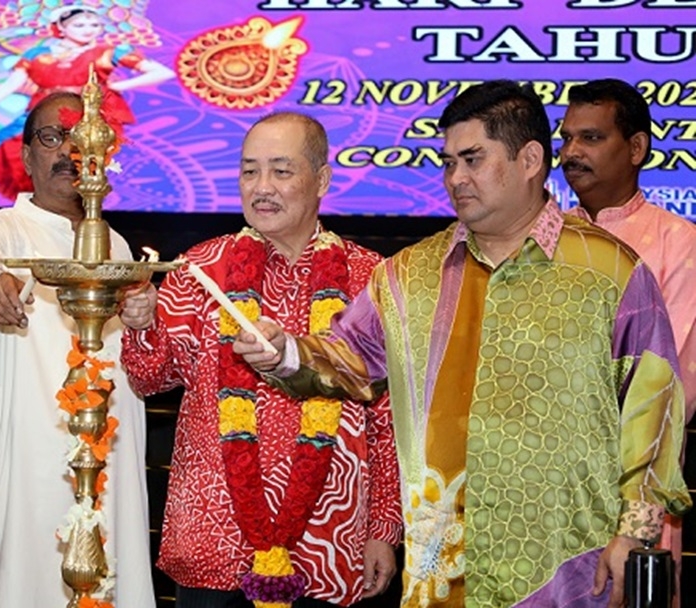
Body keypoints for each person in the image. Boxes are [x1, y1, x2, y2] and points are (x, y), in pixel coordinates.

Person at [233, 81, 692, 607]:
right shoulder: (409, 275)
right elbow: (348, 358)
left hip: (570, 575)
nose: (456, 178)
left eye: (473, 159)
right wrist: (284, 353)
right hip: (443, 577)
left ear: (530, 160)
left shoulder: (609, 271)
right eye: (449, 162)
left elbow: (654, 410)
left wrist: (635, 531)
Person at [118, 111, 403, 608]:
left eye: (281, 170)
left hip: (329, 543)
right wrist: (142, 325)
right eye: (249, 171)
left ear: (322, 180)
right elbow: (149, 379)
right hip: (213, 539)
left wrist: (383, 527)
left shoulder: (369, 278)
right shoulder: (199, 270)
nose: (262, 187)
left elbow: (388, 417)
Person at [0, 91, 155, 608]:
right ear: (25, 156)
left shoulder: (118, 247)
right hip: (30, 468)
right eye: (53, 137)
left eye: (83, 139)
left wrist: (145, 311)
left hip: (109, 461)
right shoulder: (0, 230)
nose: (70, 151)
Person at [559, 78, 696, 607]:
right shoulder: (543, 240)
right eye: (566, 138)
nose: (571, 152)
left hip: (631, 490)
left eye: (591, 138)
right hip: (541, 491)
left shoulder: (678, 244)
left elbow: (669, 391)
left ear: (636, 148)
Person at [0, 4, 174, 199]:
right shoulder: (38, 54)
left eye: (94, 25)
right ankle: (38, 201)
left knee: (78, 160)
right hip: (45, 111)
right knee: (0, 149)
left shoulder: (107, 52)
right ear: (61, 27)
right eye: (79, 25)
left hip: (87, 113)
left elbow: (163, 72)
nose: (88, 30)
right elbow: (13, 82)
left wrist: (120, 86)